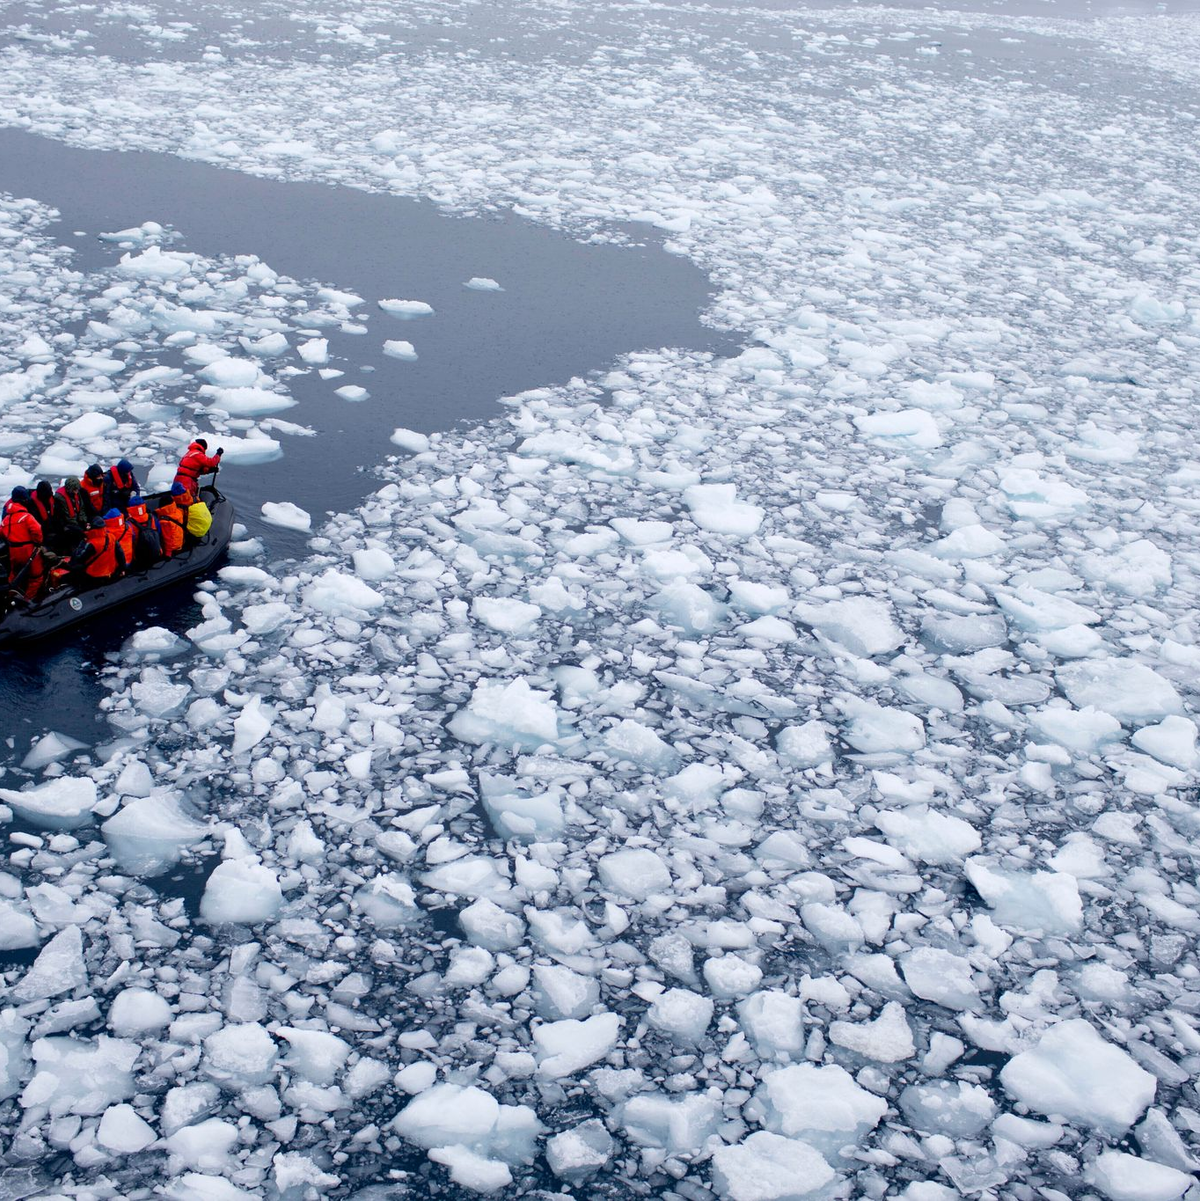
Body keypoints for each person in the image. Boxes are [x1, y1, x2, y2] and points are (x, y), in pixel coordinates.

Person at [1, 487, 53, 601]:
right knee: (36, 577)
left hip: (13, 551)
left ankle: (9, 596)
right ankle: (28, 599)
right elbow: (37, 530)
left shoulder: (6, 519)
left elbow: (3, 533)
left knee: (14, 574)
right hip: (29, 551)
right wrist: (38, 543)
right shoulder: (27, 517)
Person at [70, 517, 122, 582]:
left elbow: (79, 557)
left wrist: (83, 542)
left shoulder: (91, 544)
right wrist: (123, 569)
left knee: (75, 566)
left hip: (95, 575)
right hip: (111, 571)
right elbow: (120, 554)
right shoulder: (111, 537)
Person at [125, 495, 162, 567]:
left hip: (140, 556)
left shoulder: (128, 524)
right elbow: (159, 532)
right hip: (155, 551)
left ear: (130, 508)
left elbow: (130, 542)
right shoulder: (152, 517)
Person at [53, 477, 89, 552]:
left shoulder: (76, 493)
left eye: (77, 490)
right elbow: (67, 516)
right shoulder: (60, 498)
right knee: (76, 534)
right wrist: (79, 528)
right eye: (75, 490)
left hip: (75, 521)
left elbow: (81, 508)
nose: (76, 492)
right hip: (65, 524)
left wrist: (84, 521)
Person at [157, 484, 189, 558]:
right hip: (181, 543)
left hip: (173, 548)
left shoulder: (164, 521)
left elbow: (168, 538)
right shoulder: (178, 511)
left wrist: (168, 553)